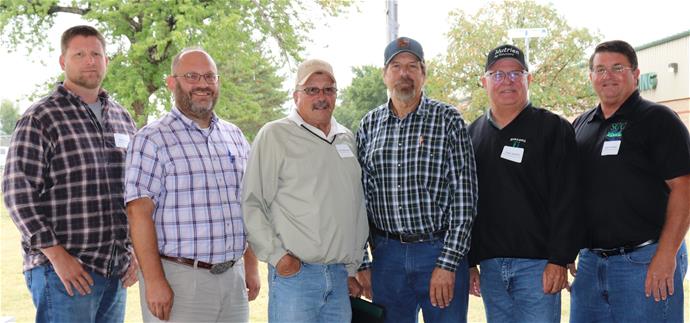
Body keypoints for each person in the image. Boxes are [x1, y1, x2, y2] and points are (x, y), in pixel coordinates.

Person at [2, 25, 138, 323]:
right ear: (63, 62)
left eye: (96, 54)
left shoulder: (123, 118)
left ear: (106, 61)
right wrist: (57, 256)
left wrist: (135, 253)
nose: (90, 61)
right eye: (79, 54)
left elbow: (136, 191)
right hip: (65, 272)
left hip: (114, 271)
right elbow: (17, 193)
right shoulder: (41, 117)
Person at [124, 48, 260, 322]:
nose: (202, 84)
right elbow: (138, 214)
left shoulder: (234, 137)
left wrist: (251, 265)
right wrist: (154, 281)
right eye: (192, 76)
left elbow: (248, 205)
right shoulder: (151, 139)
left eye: (210, 76)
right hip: (179, 280)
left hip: (233, 280)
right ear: (172, 82)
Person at [356, 37, 478, 323]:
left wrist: (447, 263)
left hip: (438, 251)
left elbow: (465, 198)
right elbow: (358, 199)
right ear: (385, 74)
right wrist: (363, 261)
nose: (404, 74)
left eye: (412, 66)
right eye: (396, 66)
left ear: (423, 74)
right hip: (387, 256)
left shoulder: (448, 120)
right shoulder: (368, 125)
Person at [570, 40, 690, 322]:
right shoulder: (581, 125)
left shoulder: (658, 119)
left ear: (635, 74)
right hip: (590, 264)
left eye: (617, 68)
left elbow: (684, 187)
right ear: (591, 77)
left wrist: (666, 255)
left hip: (645, 260)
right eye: (600, 69)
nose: (607, 76)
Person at [242, 58, 369, 323]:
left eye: (328, 89)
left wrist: (352, 268)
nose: (321, 97)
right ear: (296, 95)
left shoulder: (346, 138)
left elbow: (356, 206)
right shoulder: (275, 135)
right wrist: (279, 258)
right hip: (295, 277)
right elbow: (252, 203)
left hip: (338, 277)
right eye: (312, 89)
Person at [466, 44, 581, 322]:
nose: (507, 81)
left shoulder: (553, 128)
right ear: (485, 82)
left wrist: (558, 258)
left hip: (539, 266)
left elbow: (569, 198)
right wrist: (469, 262)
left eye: (516, 73)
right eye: (498, 74)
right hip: (491, 267)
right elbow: (465, 203)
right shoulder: (471, 134)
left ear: (528, 80)